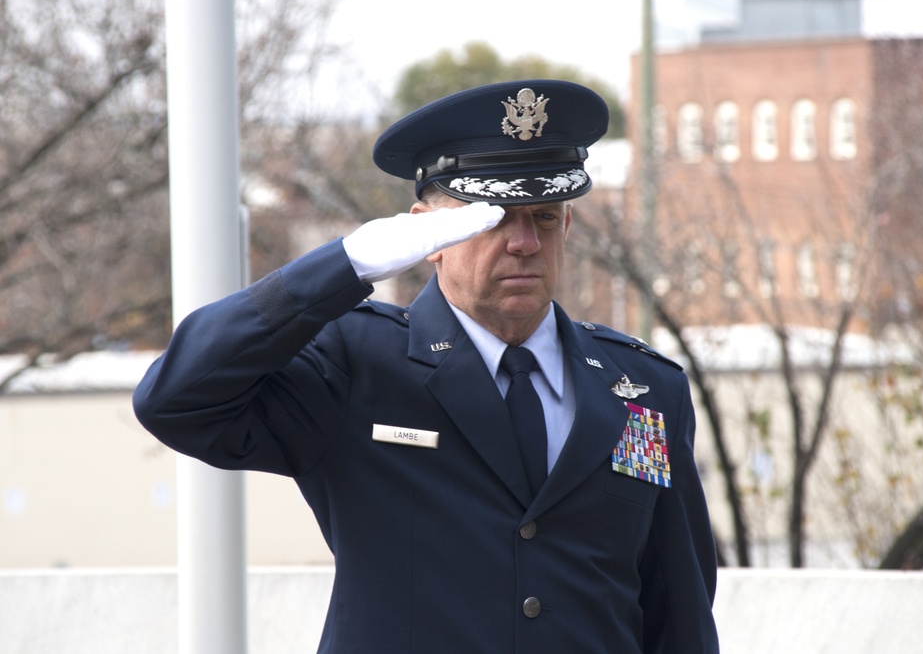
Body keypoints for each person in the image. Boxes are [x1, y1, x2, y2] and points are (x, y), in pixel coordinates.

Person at [133, 79, 720, 653]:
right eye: (491, 217)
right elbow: (176, 398)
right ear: (427, 236)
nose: (524, 242)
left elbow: (679, 608)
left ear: (566, 226)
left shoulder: (641, 391)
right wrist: (343, 266)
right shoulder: (357, 367)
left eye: (543, 216)